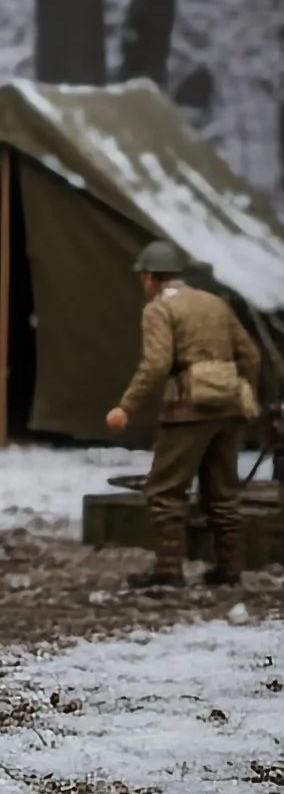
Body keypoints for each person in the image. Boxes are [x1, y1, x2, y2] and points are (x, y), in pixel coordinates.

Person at [105, 240, 258, 589]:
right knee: (223, 492)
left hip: (189, 409)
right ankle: (229, 568)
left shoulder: (158, 309)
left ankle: (168, 569)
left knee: (164, 489)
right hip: (229, 407)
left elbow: (156, 364)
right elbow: (250, 354)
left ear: (149, 277)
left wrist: (127, 406)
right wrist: (240, 389)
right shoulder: (215, 302)